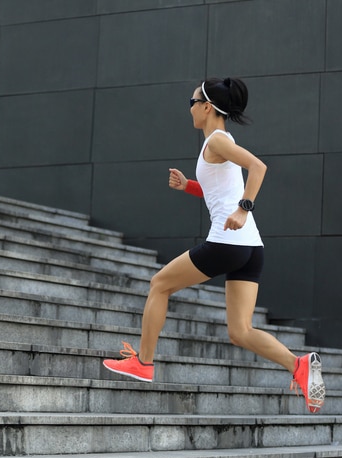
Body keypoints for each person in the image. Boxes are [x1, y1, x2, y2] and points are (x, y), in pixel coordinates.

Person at [103, 77, 325, 413]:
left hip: (227, 242)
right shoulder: (219, 143)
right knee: (240, 331)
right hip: (251, 249)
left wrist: (244, 207)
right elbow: (220, 190)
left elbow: (258, 167)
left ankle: (143, 363)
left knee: (159, 285)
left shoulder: (218, 141)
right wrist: (188, 186)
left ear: (206, 107)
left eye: (192, 102)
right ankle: (298, 366)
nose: (189, 108)